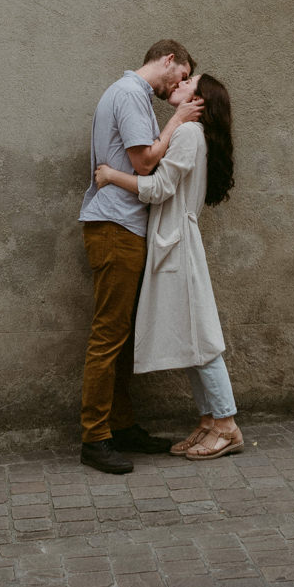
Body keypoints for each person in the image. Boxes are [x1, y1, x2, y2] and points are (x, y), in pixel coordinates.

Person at [94, 71, 241, 461]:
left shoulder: (189, 135)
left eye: (189, 83)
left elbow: (159, 189)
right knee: (191, 339)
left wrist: (111, 177)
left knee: (202, 339)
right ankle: (209, 420)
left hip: (177, 244)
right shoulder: (185, 132)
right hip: (173, 241)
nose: (181, 83)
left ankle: (227, 425)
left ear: (200, 101)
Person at [77, 39, 202, 474]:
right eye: (183, 76)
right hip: (115, 227)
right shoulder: (130, 93)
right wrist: (178, 121)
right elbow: (145, 162)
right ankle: (94, 438)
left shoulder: (131, 95)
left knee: (122, 336)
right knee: (108, 335)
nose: (180, 85)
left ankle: (122, 426)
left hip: (121, 227)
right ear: (169, 60)